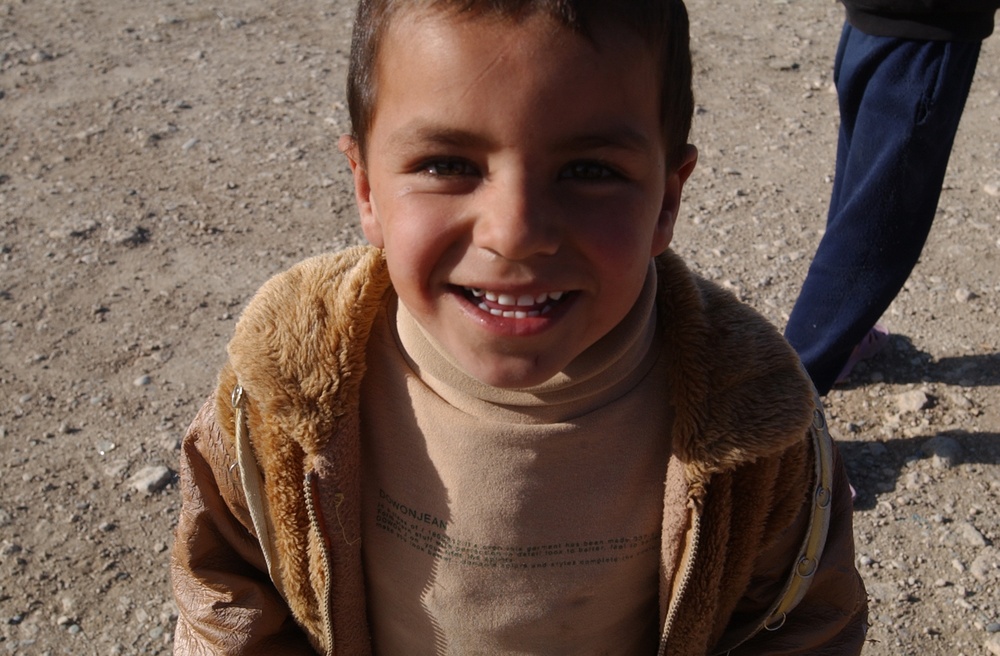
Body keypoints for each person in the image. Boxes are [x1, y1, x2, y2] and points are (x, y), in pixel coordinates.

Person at [170, 1, 868, 653]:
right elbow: (224, 591)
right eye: (447, 165)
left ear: (668, 198)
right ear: (366, 189)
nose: (517, 233)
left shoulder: (753, 423)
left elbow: (804, 620)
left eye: (589, 170)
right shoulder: (279, 396)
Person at [785, 0, 1000, 396]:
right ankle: (769, 414)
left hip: (871, 20)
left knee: (860, 196)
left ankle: (843, 339)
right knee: (876, 228)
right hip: (927, 29)